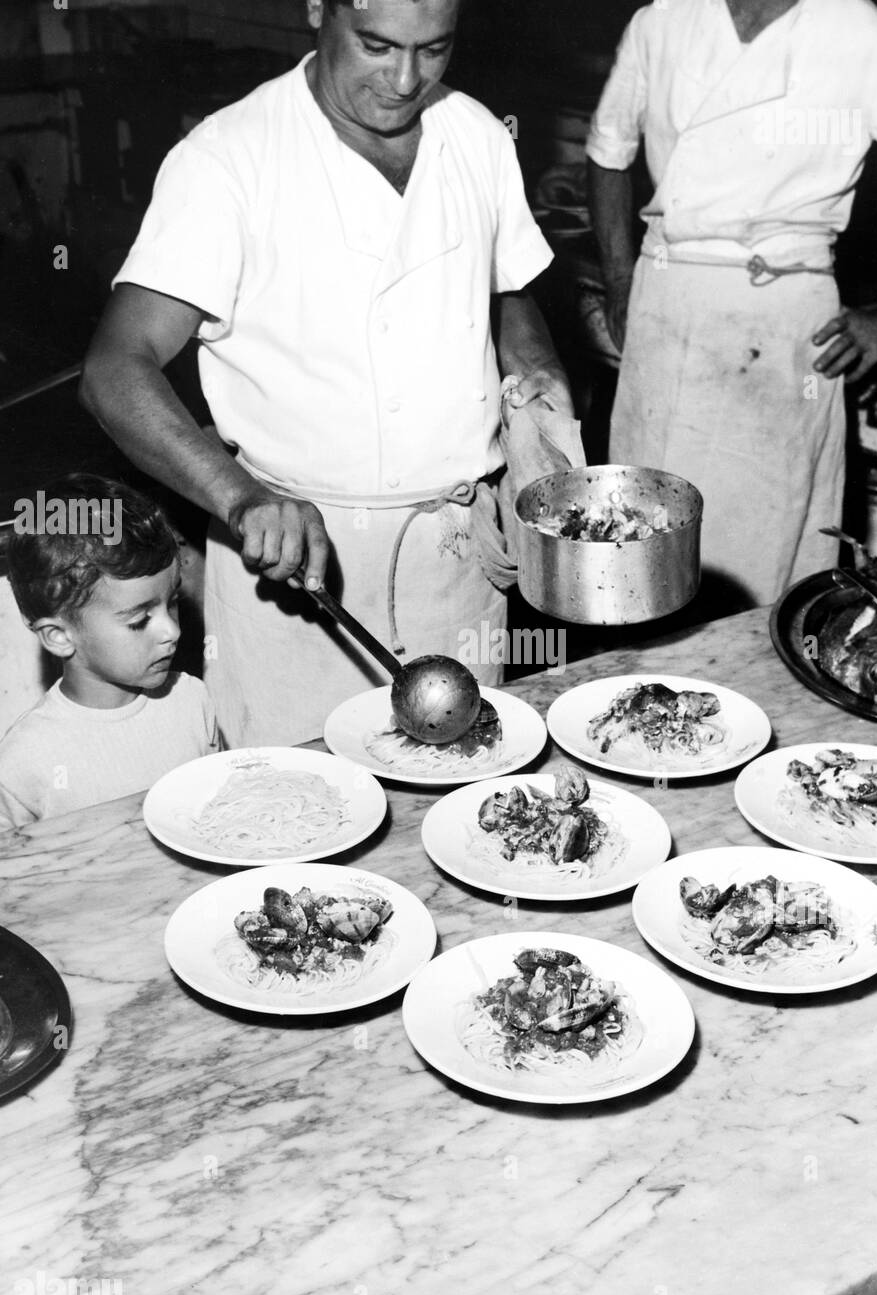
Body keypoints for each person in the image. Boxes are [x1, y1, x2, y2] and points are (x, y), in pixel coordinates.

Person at [80, 0, 572, 748]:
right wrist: (241, 499)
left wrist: (536, 391)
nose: (405, 79)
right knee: (292, 822)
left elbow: (504, 291)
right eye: (376, 45)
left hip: (456, 554)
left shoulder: (475, 133)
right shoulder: (229, 156)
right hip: (294, 571)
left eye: (432, 49)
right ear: (317, 9)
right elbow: (115, 369)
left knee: (461, 809)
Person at [587, 0, 877, 611]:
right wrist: (620, 279)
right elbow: (607, 151)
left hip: (777, 323)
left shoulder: (862, 33)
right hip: (664, 307)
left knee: (752, 567)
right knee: (640, 551)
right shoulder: (661, 18)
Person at [0, 475, 220, 830]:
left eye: (173, 602)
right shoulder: (24, 760)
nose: (173, 631)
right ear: (58, 636)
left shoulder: (192, 700)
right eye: (139, 620)